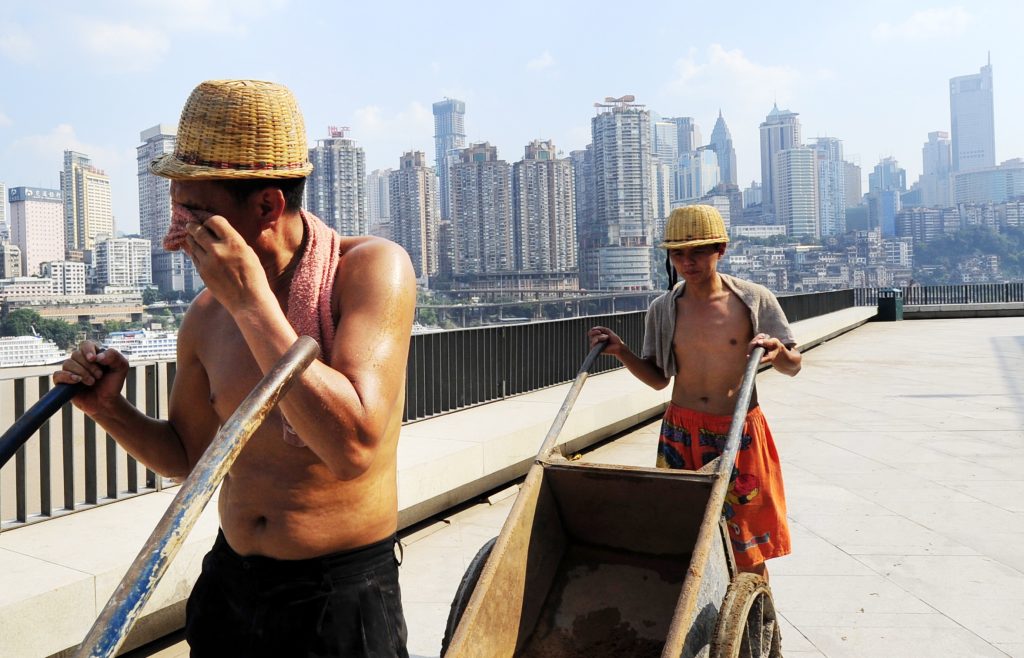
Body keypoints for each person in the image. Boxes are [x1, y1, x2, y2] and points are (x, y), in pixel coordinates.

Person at [55, 80, 414, 657]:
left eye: (197, 214)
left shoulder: (370, 271)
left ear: (268, 206)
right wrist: (108, 409)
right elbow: (192, 459)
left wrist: (253, 305)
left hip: (339, 595)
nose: (180, 234)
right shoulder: (205, 315)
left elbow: (354, 449)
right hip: (232, 585)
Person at [588, 205, 801, 580]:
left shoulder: (753, 300)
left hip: (739, 432)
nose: (688, 261)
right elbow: (658, 379)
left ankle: (754, 625)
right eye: (678, 253)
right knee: (683, 537)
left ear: (721, 249)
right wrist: (621, 351)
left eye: (698, 251)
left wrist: (778, 352)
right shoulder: (664, 309)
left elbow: (793, 364)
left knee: (746, 547)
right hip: (681, 433)